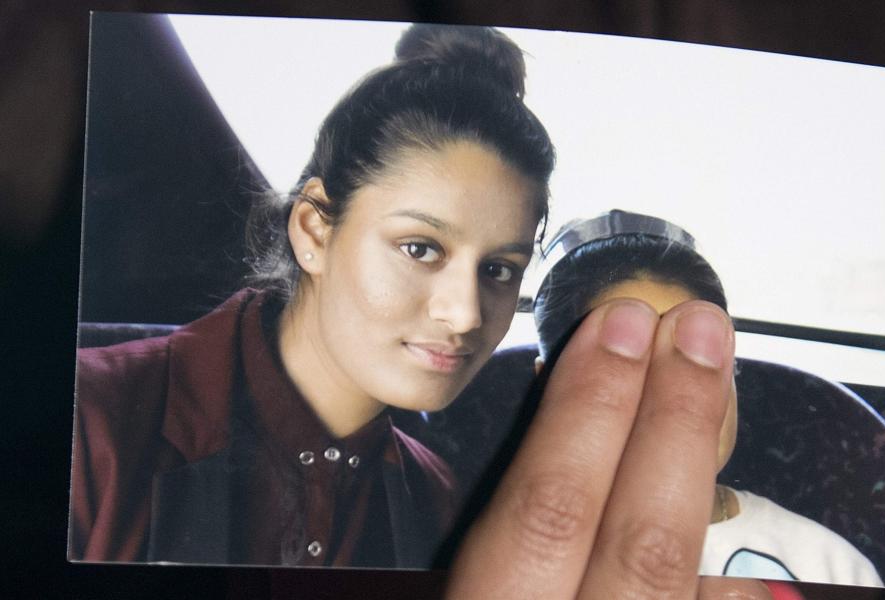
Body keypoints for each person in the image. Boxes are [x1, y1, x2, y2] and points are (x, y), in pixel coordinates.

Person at [69, 23, 555, 568]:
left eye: (498, 268)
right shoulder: (87, 424)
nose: (465, 314)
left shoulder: (435, 503)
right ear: (314, 231)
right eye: (420, 249)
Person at [522, 210, 883, 588]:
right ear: (545, 386)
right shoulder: (517, 562)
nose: (674, 401)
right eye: (627, 360)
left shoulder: (832, 567)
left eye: (699, 358)